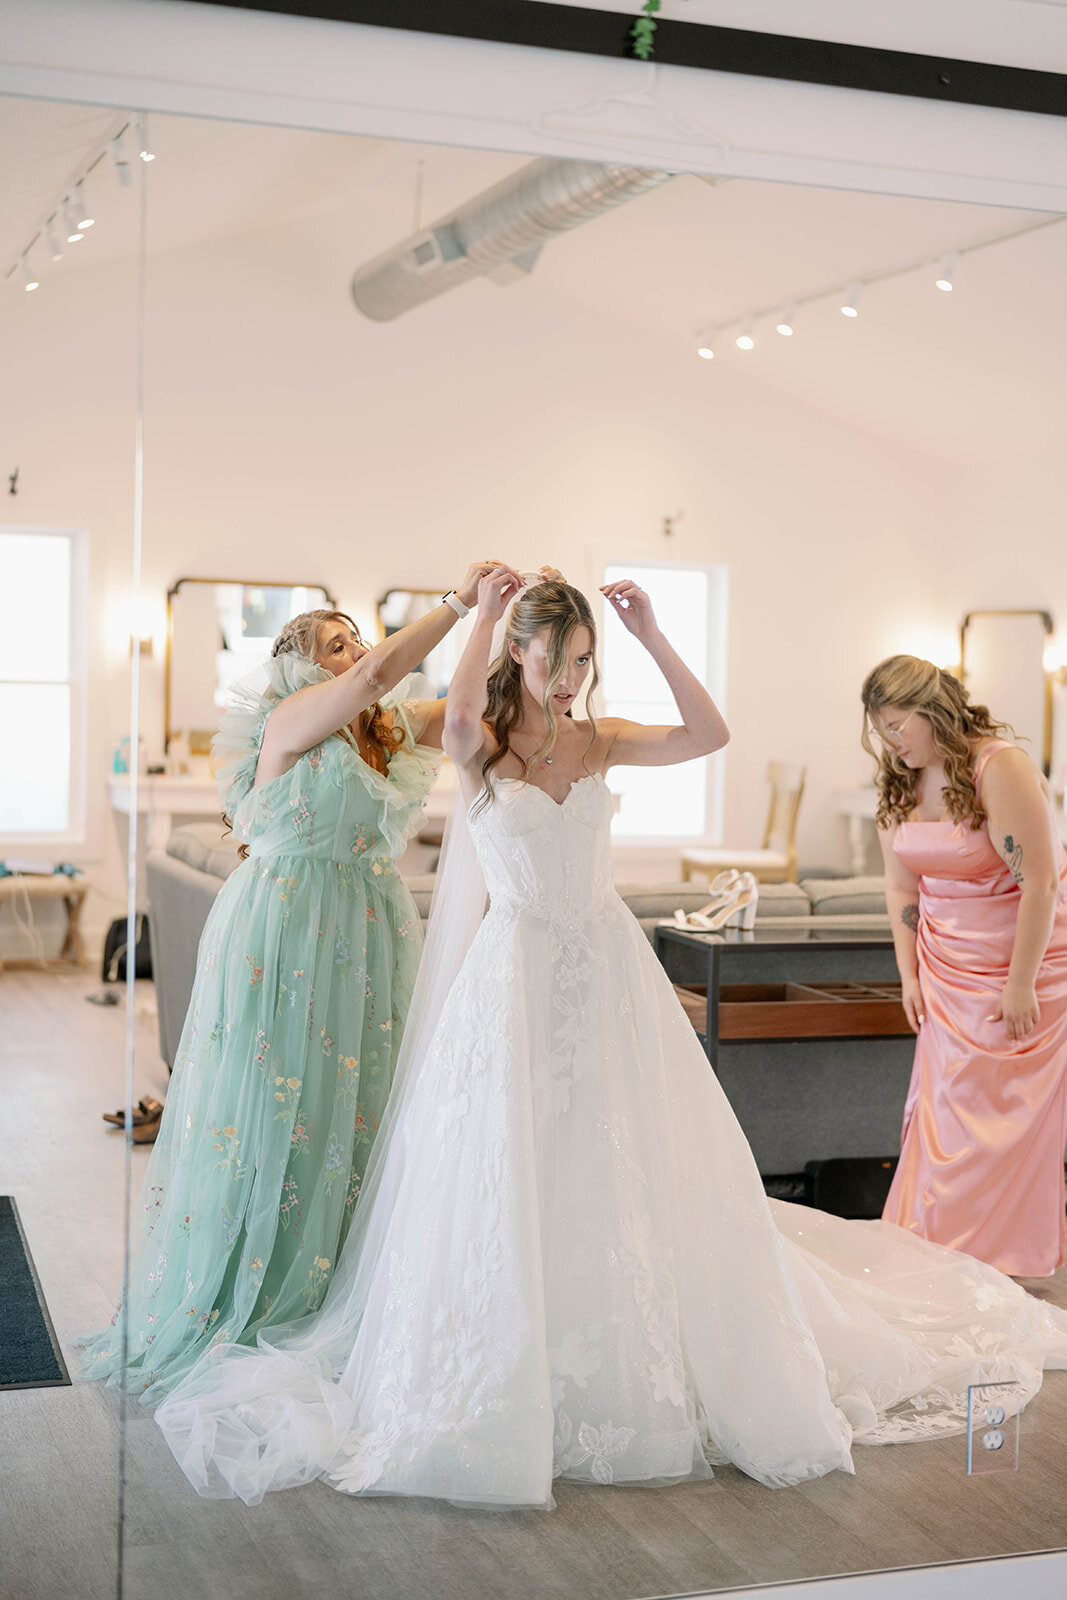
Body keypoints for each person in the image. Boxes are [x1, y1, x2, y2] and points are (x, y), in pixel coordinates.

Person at [155, 581, 1067, 1508]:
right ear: (521, 654)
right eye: (559, 659)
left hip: (605, 971)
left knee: (622, 1158)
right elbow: (456, 713)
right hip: (512, 975)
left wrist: (654, 635)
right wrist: (479, 617)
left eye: (586, 661)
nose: (572, 678)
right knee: (511, 1165)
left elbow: (708, 733)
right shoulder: (477, 741)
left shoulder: (600, 737)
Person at [78, 560, 522, 1402]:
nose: (353, 650)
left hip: (369, 927)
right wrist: (459, 602)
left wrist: (499, 625)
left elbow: (469, 712)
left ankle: (347, 1292)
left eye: (354, 637)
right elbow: (376, 673)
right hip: (285, 926)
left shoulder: (383, 728)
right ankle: (259, 1286)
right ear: (295, 664)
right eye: (333, 642)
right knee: (280, 1097)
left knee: (360, 1103)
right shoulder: (288, 720)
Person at [862, 654, 1067, 1277]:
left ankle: (998, 1261)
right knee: (944, 1114)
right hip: (945, 971)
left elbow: (1041, 883)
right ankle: (936, 1256)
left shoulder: (998, 767)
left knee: (999, 1124)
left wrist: (1020, 984)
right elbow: (901, 888)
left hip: (1020, 967)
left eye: (898, 725)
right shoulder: (901, 780)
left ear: (933, 710)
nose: (890, 742)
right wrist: (909, 975)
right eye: (881, 729)